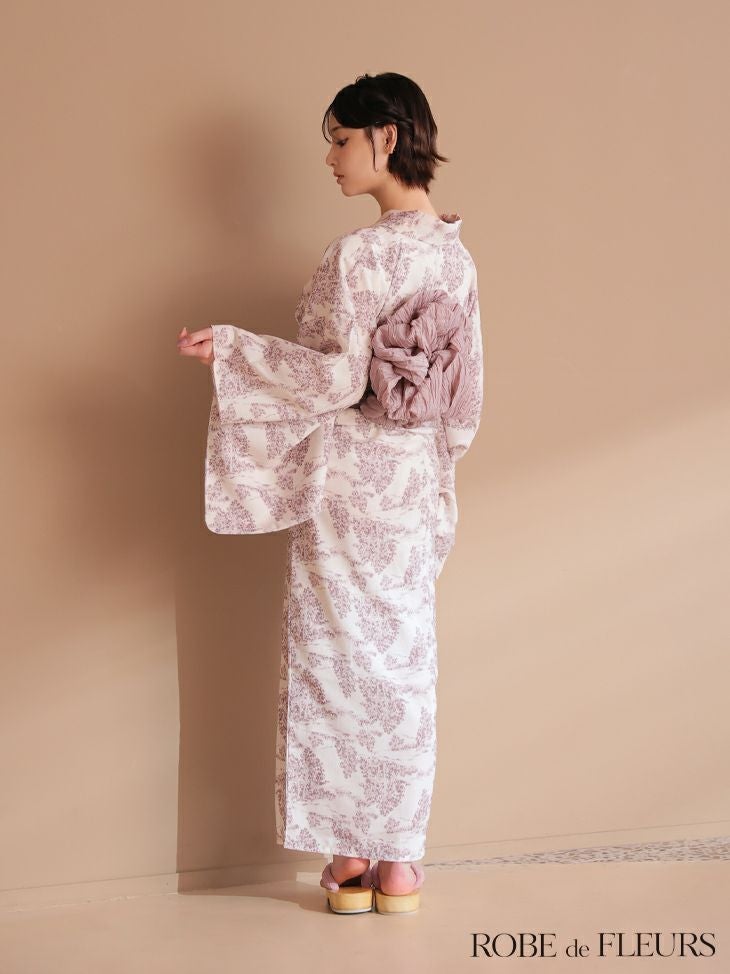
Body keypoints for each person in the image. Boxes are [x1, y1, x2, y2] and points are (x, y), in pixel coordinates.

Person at [177, 72, 483, 913]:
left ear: (387, 137)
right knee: (403, 665)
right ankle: (401, 865)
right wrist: (430, 470)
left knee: (335, 660)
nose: (331, 157)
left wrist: (233, 350)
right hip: (414, 484)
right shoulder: (456, 259)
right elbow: (464, 406)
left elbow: (335, 378)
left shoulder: (355, 256)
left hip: (347, 484)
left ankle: (349, 862)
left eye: (341, 140)